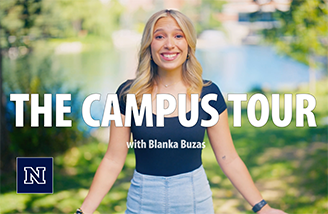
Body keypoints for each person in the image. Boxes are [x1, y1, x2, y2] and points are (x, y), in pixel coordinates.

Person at [77, 9, 287, 214]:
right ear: (149, 45)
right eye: (159, 36)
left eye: (178, 36)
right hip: (142, 204)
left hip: (195, 203)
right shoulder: (128, 94)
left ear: (188, 44)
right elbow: (113, 160)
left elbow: (228, 158)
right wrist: (83, 211)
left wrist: (263, 208)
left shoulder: (208, 94)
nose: (170, 44)